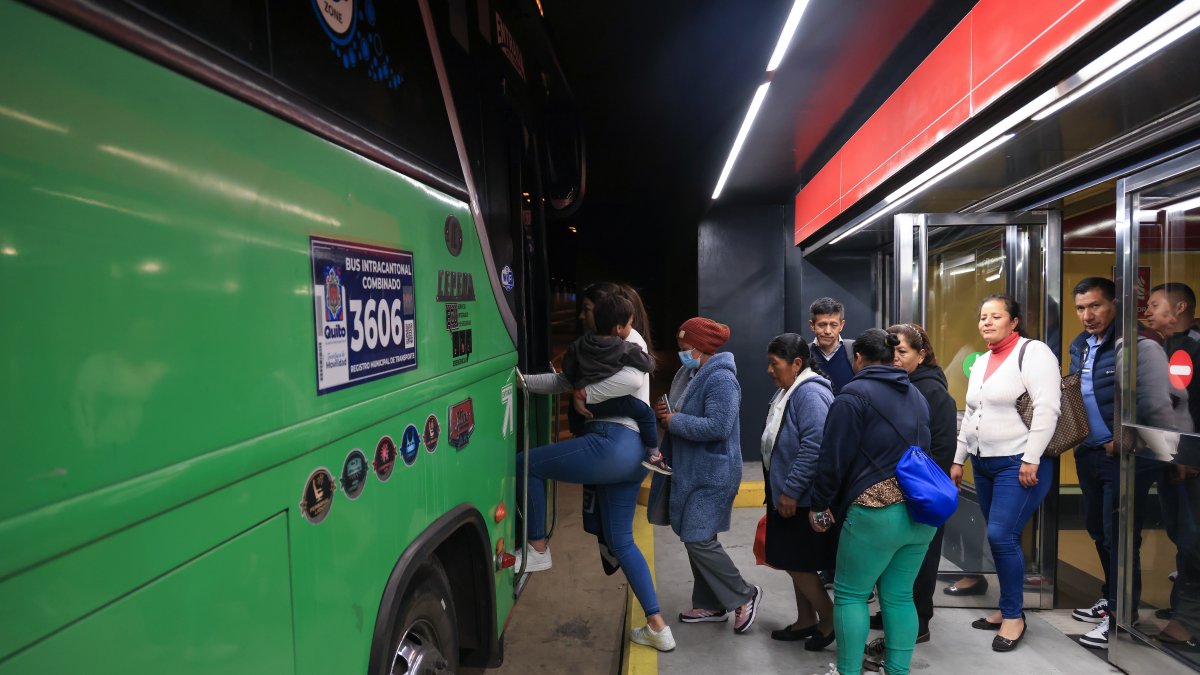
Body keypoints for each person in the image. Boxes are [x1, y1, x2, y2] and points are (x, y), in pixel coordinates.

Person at [516, 293, 674, 651]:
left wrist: (587, 393)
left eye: (589, 309)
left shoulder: (629, 341)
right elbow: (563, 382)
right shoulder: (599, 346)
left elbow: (629, 382)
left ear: (614, 320)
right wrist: (526, 382)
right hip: (633, 454)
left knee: (528, 463)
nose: (583, 315)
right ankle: (658, 627)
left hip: (612, 443)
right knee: (622, 541)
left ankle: (537, 546)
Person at [808, 328, 934, 675]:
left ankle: (848, 671)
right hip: (920, 513)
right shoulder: (916, 395)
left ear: (858, 358)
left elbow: (832, 459)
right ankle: (897, 670)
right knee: (900, 596)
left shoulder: (853, 395)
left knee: (851, 595)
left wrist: (820, 504)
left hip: (875, 511)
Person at [950, 294, 1060, 652]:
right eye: (983, 316)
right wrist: (958, 459)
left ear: (1014, 322)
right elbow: (971, 413)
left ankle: (1014, 616)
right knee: (999, 538)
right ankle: (1006, 606)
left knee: (1001, 535)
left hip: (1019, 463)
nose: (987, 322)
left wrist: (1032, 458)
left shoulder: (1034, 352)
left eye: (996, 316)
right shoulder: (982, 361)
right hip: (983, 463)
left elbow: (1047, 408)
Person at [649, 317, 763, 633]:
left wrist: (675, 422)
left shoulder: (722, 380)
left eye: (685, 347)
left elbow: (718, 426)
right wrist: (665, 416)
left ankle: (744, 594)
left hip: (714, 473)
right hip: (691, 471)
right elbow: (680, 412)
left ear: (701, 347)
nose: (681, 353)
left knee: (697, 537)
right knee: (700, 536)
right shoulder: (688, 373)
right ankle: (710, 603)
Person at [862, 323, 958, 668]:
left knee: (920, 562)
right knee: (897, 564)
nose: (895, 358)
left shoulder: (931, 392)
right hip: (897, 491)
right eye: (892, 351)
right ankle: (894, 615)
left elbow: (941, 451)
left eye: (902, 352)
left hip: (920, 492)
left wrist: (912, 487)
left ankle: (919, 623)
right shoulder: (900, 384)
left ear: (922, 354)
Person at [759, 333, 838, 649]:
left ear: (796, 363)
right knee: (797, 561)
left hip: (801, 498)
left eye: (774, 363)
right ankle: (806, 619)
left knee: (794, 560)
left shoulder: (810, 393)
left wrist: (791, 490)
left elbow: (814, 446)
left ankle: (829, 619)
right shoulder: (790, 390)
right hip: (788, 493)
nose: (769, 370)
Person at [563, 293, 670, 475]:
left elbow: (568, 369)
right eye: (630, 324)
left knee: (576, 414)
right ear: (619, 328)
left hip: (585, 407)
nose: (631, 328)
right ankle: (654, 455)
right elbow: (648, 364)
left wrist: (579, 385)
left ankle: (577, 433)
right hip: (607, 402)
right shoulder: (623, 348)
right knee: (645, 412)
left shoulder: (579, 345)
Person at [809, 297, 856, 394]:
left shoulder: (855, 351)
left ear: (841, 325)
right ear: (812, 325)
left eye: (833, 325)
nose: (827, 331)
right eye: (822, 325)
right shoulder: (804, 354)